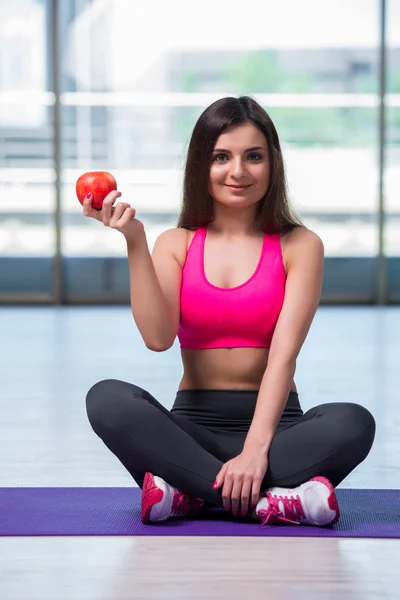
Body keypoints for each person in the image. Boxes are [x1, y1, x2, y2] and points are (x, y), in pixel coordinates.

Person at [84, 96, 376, 527]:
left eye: (253, 157)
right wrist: (134, 241)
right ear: (201, 164)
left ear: (272, 163)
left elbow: (283, 356)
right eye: (222, 157)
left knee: (354, 421)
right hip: (190, 431)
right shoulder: (175, 243)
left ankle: (188, 493)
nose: (237, 171)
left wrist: (256, 451)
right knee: (106, 399)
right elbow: (158, 338)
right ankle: (272, 503)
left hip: (279, 432)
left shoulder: (301, 245)